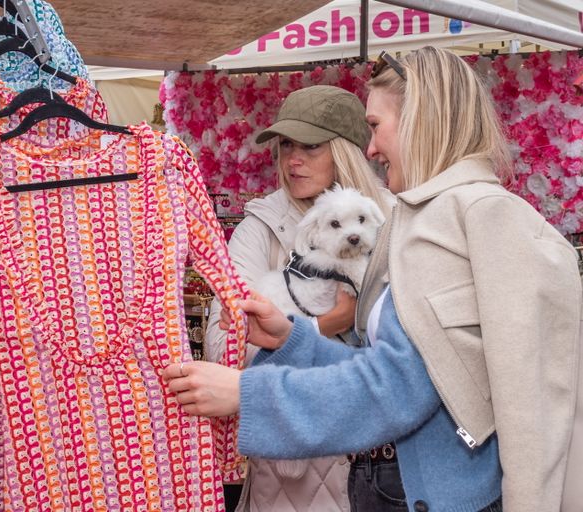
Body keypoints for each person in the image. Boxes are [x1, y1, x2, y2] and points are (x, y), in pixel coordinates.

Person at [165, 47, 582, 511]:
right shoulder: (430, 217)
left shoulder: (467, 219)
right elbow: (415, 369)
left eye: (376, 125)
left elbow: (400, 388)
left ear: (421, 121)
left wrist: (249, 395)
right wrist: (294, 340)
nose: (370, 149)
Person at [204, 85, 394, 512]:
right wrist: (326, 324)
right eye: (286, 145)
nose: (292, 159)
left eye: (310, 146)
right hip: (294, 466)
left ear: (345, 150)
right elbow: (222, 345)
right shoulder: (261, 227)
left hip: (382, 458)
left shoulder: (392, 217)